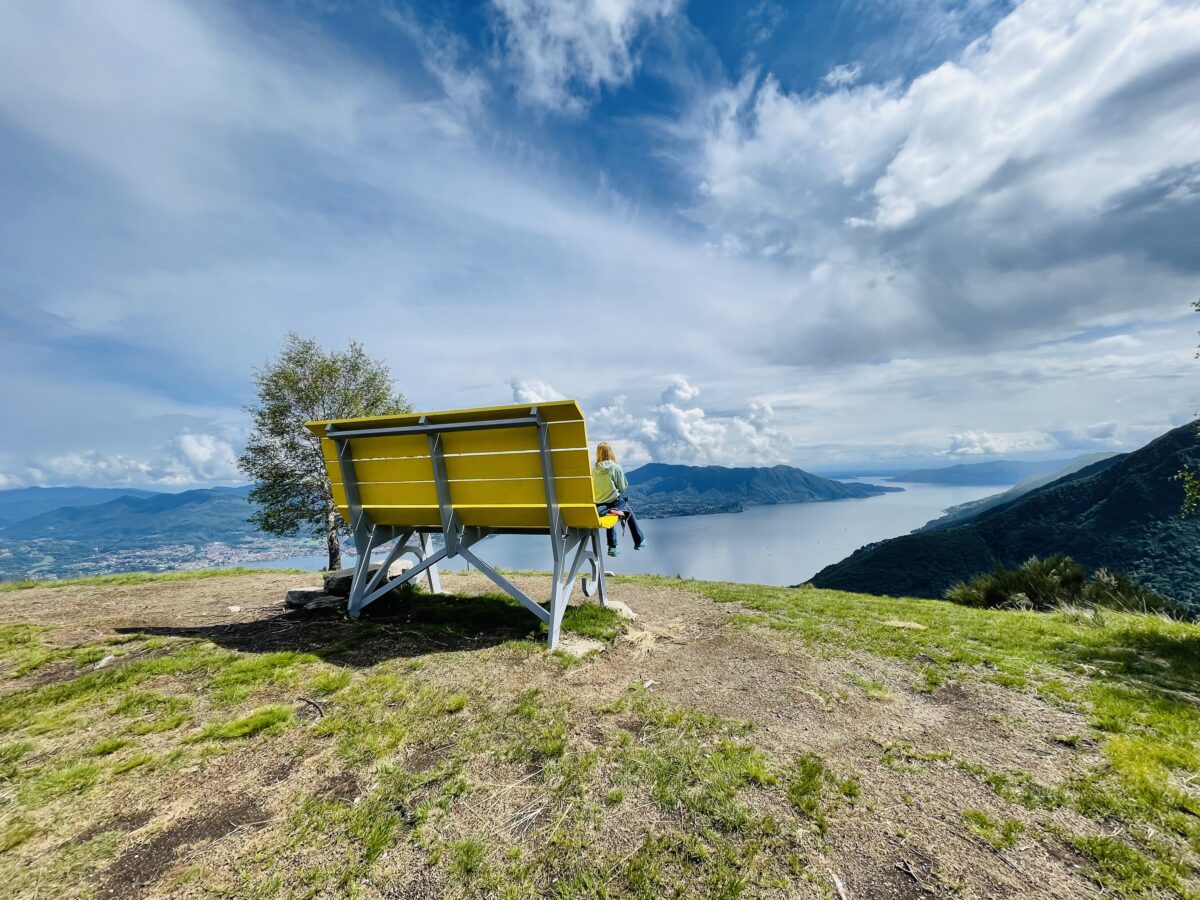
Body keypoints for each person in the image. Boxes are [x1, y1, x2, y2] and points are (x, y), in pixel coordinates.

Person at [592, 442, 646, 557]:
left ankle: (612, 547)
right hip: (614, 502)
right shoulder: (615, 467)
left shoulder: (594, 470)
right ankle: (639, 541)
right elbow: (623, 487)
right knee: (628, 511)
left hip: (599, 505)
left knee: (610, 516)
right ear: (611, 452)